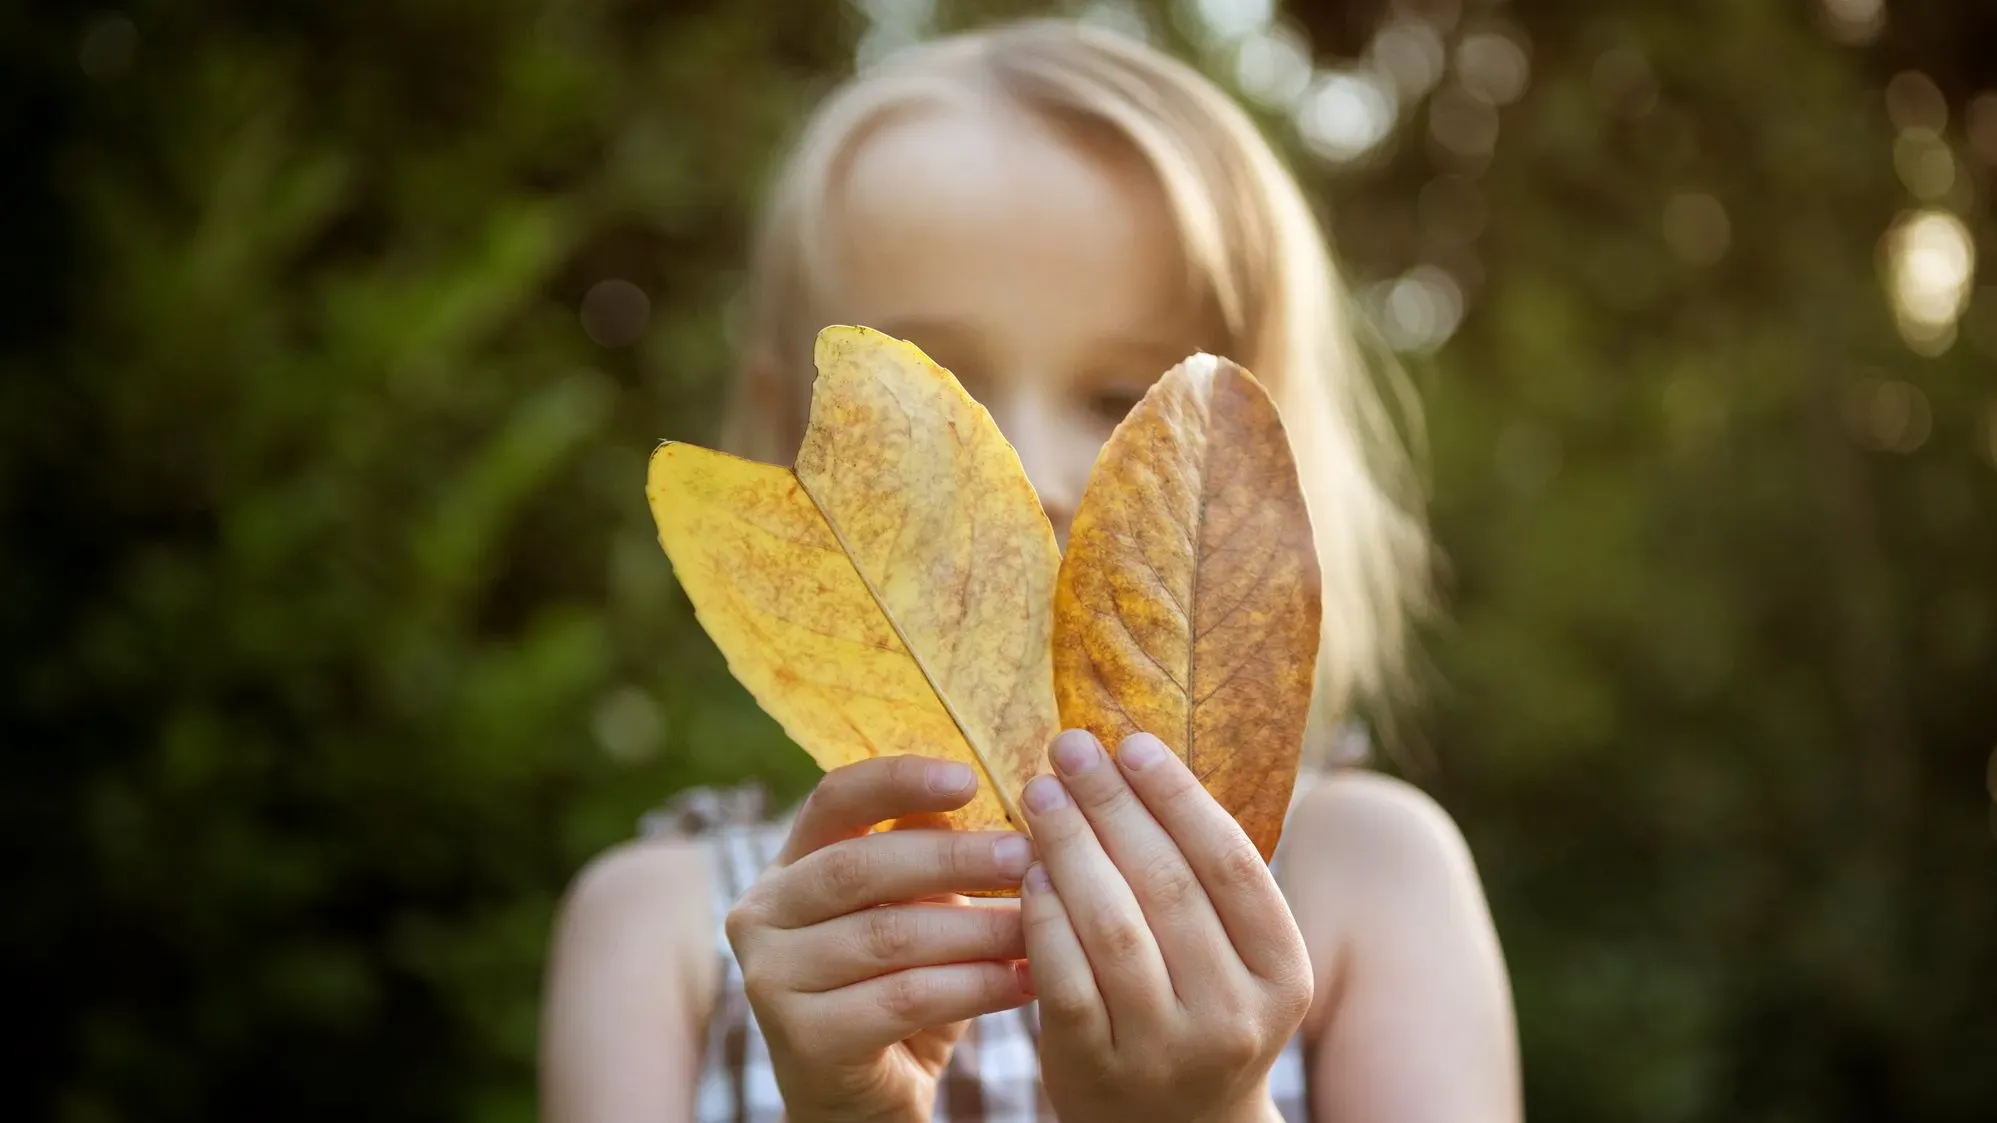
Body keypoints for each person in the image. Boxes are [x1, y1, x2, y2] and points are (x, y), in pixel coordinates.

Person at [541, 19, 1518, 1123]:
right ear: (793, 449)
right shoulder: (658, 932)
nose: (1027, 473)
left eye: (1120, 399)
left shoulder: (1367, 883)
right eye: (934, 393)